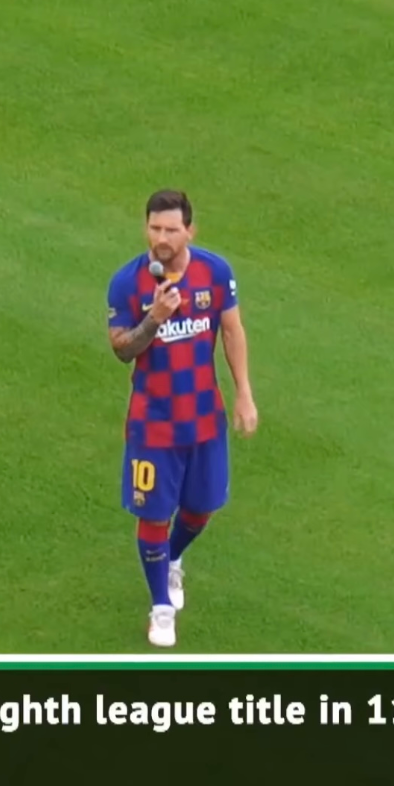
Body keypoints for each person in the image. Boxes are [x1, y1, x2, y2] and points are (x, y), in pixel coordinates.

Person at [105, 189, 258, 647]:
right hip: (152, 423)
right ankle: (161, 607)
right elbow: (122, 350)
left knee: (202, 508)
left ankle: (172, 559)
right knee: (154, 515)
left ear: (190, 230)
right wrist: (154, 318)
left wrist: (244, 394)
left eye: (171, 229)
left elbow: (231, 330)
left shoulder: (215, 272)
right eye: (155, 228)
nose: (162, 238)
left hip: (204, 418)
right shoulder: (127, 282)